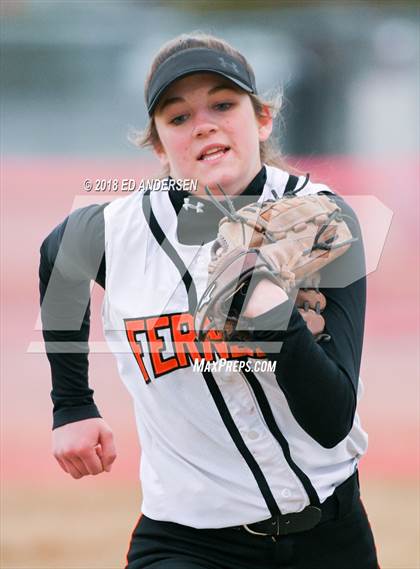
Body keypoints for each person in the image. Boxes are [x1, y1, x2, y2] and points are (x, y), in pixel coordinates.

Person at [39, 32, 379, 569]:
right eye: (177, 118)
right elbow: (57, 256)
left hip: (328, 532)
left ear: (262, 119)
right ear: (159, 145)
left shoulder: (319, 222)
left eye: (223, 104)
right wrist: (72, 405)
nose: (202, 125)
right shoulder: (116, 232)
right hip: (186, 540)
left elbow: (332, 417)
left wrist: (268, 312)